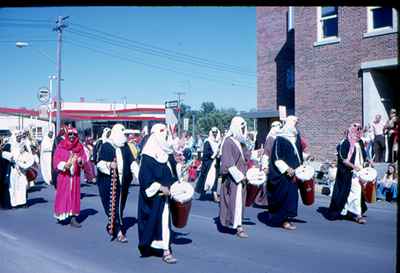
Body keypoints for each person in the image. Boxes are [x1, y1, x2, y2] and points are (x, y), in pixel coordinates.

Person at [137, 123, 178, 264]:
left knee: (165, 223)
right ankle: (156, 247)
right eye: (162, 133)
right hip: (153, 198)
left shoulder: (167, 154)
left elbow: (173, 174)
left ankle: (166, 250)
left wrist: (176, 186)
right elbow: (145, 179)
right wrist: (160, 187)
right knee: (153, 223)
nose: (165, 136)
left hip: (166, 198)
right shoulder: (147, 156)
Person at [96, 124, 136, 242]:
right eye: (122, 134)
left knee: (119, 206)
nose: (125, 137)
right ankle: (118, 229)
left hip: (122, 183)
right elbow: (99, 164)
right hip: (108, 183)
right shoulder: (106, 146)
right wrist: (109, 165)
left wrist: (140, 175)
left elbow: (132, 162)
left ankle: (115, 227)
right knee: (112, 206)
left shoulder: (125, 147)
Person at [326, 123, 370, 224]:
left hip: (360, 171)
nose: (358, 132)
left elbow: (363, 154)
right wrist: (354, 167)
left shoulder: (360, 143)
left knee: (354, 193)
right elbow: (343, 160)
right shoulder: (345, 143)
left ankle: (350, 212)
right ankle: (357, 215)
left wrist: (368, 161)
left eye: (359, 130)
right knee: (355, 191)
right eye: (356, 130)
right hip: (349, 173)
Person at [266, 116, 304, 230]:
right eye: (295, 124)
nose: (296, 126)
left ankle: (286, 218)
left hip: (294, 173)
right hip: (283, 175)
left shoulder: (297, 138)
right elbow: (277, 157)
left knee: (292, 196)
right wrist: (287, 169)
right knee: (281, 196)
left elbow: (298, 154)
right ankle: (281, 219)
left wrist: (303, 163)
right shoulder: (280, 139)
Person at [219, 116, 251, 238]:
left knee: (239, 202)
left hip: (241, 177)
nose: (243, 130)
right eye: (241, 128)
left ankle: (237, 223)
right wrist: (240, 176)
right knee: (235, 202)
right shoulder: (228, 142)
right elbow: (228, 163)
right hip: (234, 179)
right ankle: (238, 227)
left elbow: (246, 157)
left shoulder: (240, 142)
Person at [53, 127, 87, 227]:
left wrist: (81, 161)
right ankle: (62, 215)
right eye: (70, 135)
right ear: (67, 136)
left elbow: (84, 158)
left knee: (74, 197)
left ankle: (73, 218)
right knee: (63, 196)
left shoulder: (79, 147)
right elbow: (56, 160)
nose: (72, 137)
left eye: (74, 135)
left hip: (75, 177)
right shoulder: (61, 146)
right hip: (64, 176)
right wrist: (63, 165)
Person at [1, 130, 33, 208]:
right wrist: (10, 157)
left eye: (20, 136)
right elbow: (3, 154)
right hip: (13, 169)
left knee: (22, 185)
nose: (19, 137)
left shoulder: (24, 144)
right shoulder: (9, 145)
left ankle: (22, 202)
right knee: (13, 186)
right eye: (17, 136)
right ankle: (14, 203)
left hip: (22, 170)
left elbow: (29, 154)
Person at [254, 121, 282, 207]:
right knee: (267, 184)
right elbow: (266, 154)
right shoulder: (270, 138)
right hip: (269, 164)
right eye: (278, 127)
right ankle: (263, 201)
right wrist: (265, 166)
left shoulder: (278, 138)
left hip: (276, 164)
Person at [195, 127, 222, 202]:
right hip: (209, 164)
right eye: (213, 132)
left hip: (216, 164)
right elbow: (206, 154)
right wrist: (214, 154)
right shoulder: (208, 141)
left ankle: (214, 195)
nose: (214, 134)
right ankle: (204, 194)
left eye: (216, 132)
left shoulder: (218, 142)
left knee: (214, 179)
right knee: (206, 179)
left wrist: (219, 155)